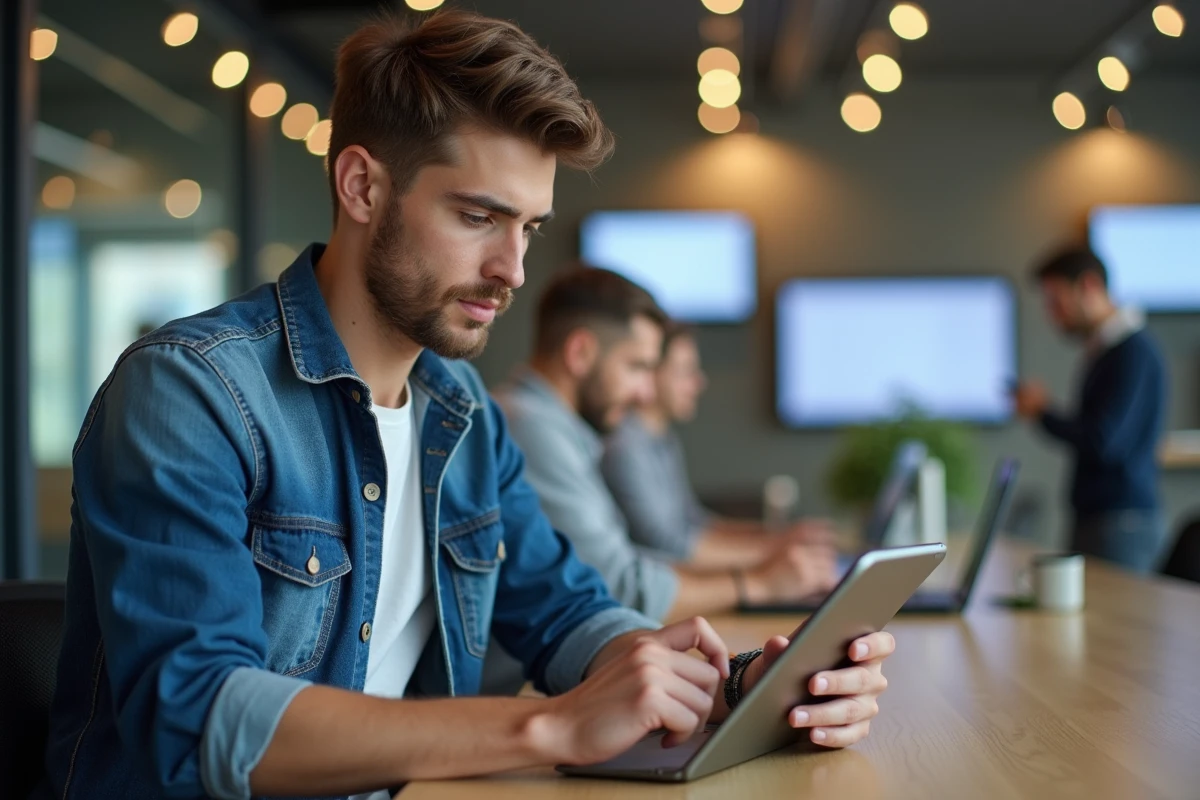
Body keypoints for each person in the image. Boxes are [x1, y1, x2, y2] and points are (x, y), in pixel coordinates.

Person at [40, 12, 893, 800]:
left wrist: (732, 687)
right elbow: (198, 722)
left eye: (528, 227)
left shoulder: (462, 412)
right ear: (362, 187)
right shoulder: (191, 391)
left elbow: (564, 610)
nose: (513, 269)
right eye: (480, 217)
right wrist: (550, 724)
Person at [495, 266, 838, 625]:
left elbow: (628, 562)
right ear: (580, 353)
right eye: (637, 366)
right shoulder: (530, 427)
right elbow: (617, 586)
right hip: (516, 681)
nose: (646, 392)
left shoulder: (555, 428)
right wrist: (760, 584)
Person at [603, 322, 829, 568]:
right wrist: (773, 553)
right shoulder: (624, 446)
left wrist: (775, 537)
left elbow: (694, 522)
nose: (699, 382)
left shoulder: (662, 439)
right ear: (651, 373)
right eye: (686, 371)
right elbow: (666, 545)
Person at [1013, 247, 1169, 573]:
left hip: (1120, 524)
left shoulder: (1131, 353)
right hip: (1104, 519)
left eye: (1057, 301)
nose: (1052, 314)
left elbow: (1104, 440)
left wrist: (1044, 413)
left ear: (1088, 286)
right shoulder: (1107, 351)